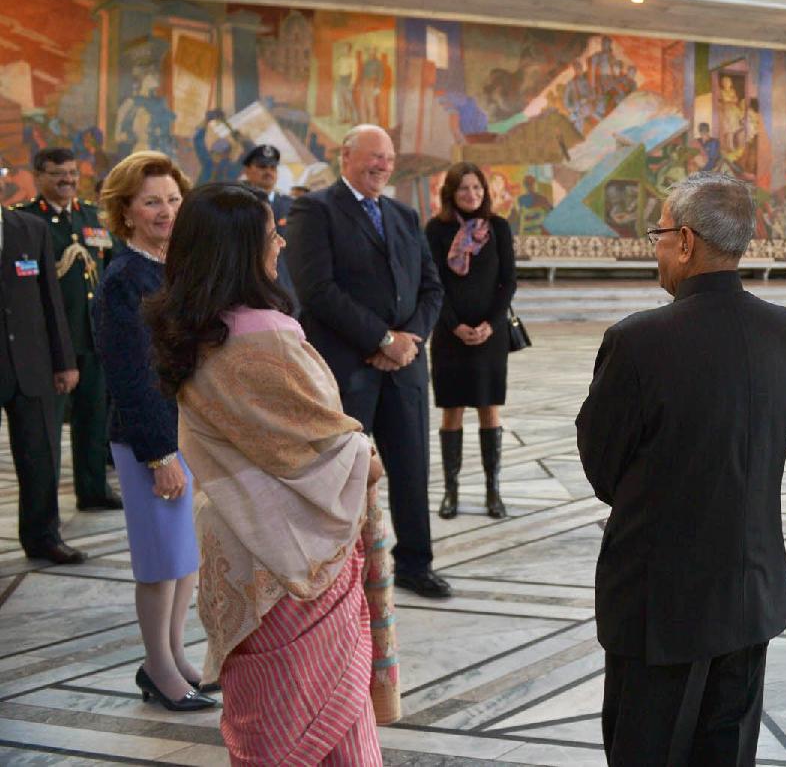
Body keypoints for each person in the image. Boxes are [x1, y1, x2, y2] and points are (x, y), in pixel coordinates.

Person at [576, 172, 786, 766]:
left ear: (684, 241)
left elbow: (603, 468)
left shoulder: (638, 341)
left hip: (660, 604)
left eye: (658, 234)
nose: (655, 248)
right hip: (749, 594)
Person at [146, 182, 382, 764]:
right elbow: (322, 444)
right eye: (270, 233)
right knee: (329, 714)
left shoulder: (190, 330)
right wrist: (366, 455)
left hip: (234, 537)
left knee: (266, 715)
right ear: (238, 252)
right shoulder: (268, 336)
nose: (280, 242)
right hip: (298, 554)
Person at [286, 124, 450, 598]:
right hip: (347, 369)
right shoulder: (314, 210)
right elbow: (317, 290)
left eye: (389, 158)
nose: (383, 165)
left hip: (406, 370)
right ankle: (337, 571)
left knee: (412, 471)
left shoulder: (404, 215)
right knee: (341, 477)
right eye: (374, 156)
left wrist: (408, 341)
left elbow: (432, 287)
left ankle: (416, 564)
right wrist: (381, 339)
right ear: (346, 156)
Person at [93, 151, 216, 712]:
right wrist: (159, 454)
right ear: (126, 211)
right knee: (160, 560)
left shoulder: (177, 265)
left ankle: (175, 655)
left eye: (173, 199)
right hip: (150, 440)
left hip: (187, 431)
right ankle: (157, 668)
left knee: (184, 557)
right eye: (151, 202)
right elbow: (128, 375)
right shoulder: (124, 278)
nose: (166, 211)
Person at [14, 147, 122, 512]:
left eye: (73, 173)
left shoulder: (92, 218)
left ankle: (93, 491)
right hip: (48, 342)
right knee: (45, 431)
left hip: (91, 335)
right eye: (59, 173)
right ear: (39, 176)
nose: (68, 180)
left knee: (93, 419)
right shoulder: (27, 220)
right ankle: (45, 510)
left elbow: (110, 271)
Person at [425, 163, 516, 520]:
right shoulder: (436, 230)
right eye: (463, 188)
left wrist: (491, 324)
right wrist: (455, 325)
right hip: (450, 335)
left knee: (489, 408)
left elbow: (508, 281)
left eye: (477, 188)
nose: (471, 194)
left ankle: (494, 491)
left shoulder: (498, 227)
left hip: (490, 335)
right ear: (451, 192)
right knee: (452, 410)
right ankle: (451, 491)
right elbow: (433, 282)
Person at [1, 177, 84, 564]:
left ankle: (43, 537)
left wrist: (64, 361)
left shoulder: (30, 228)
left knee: (40, 456)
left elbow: (51, 299)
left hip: (32, 364)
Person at [240, 144, 298, 314]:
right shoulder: (237, 205)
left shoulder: (292, 207)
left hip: (286, 292)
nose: (268, 172)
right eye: (262, 167)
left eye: (273, 168)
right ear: (247, 170)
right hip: (246, 291)